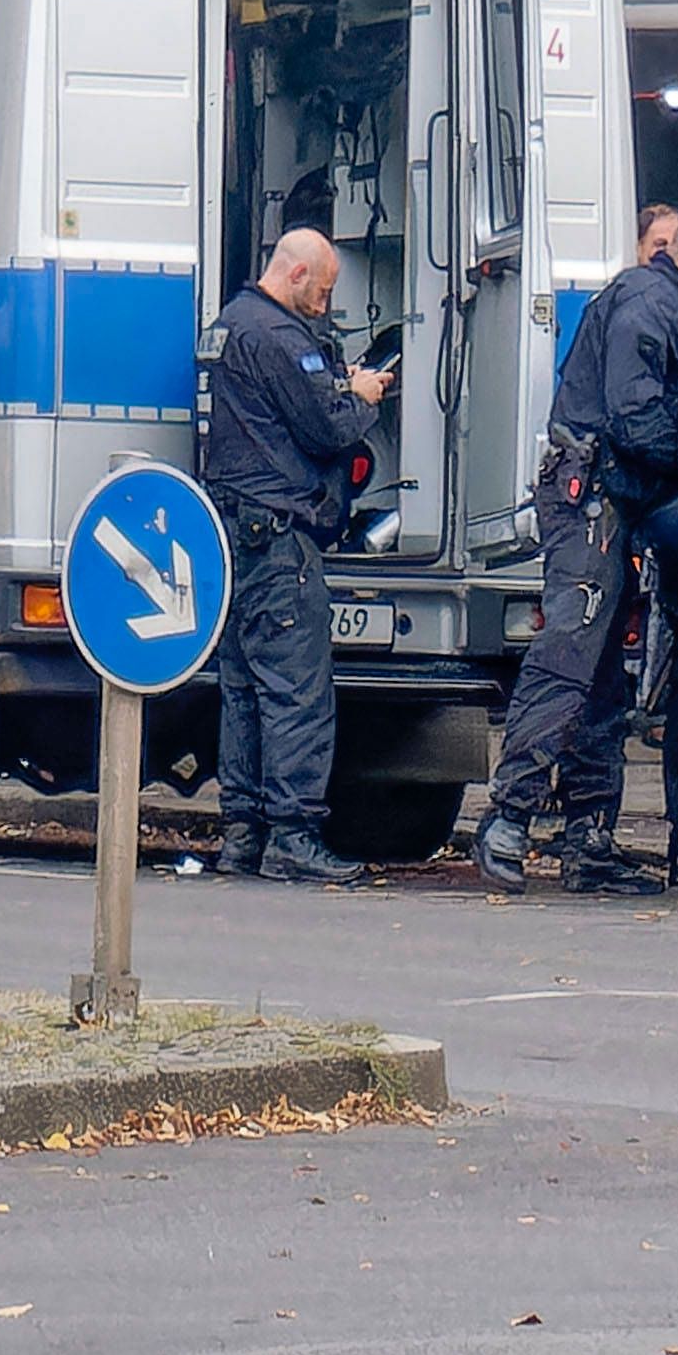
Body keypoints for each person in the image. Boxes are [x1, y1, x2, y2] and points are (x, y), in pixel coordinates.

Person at [485, 202, 678, 893]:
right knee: (568, 657)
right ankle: (509, 817)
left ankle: (588, 836)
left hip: (602, 495)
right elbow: (636, 420)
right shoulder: (653, 309)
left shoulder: (647, 298)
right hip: (592, 495)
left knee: (599, 676)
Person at [198, 228, 389, 886]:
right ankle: (294, 834)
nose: (326, 304)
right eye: (325, 290)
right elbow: (326, 428)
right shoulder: (280, 339)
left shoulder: (231, 325)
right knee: (296, 691)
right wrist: (359, 397)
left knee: (245, 691)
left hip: (235, 534)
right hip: (279, 537)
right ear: (298, 273)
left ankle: (243, 835)